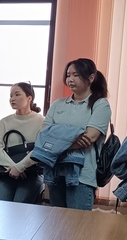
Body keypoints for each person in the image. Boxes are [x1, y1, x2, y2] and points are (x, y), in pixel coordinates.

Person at [41, 58, 111, 211]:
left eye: (76, 75)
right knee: (56, 221)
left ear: (91, 78)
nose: (70, 79)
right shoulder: (57, 104)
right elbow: (43, 135)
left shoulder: (100, 104)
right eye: (68, 75)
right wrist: (74, 138)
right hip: (55, 171)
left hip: (82, 175)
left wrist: (55, 141)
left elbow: (89, 137)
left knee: (78, 223)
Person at [0, 82, 45, 204]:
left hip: (32, 173)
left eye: (17, 94)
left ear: (29, 98)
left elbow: (40, 149)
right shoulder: (4, 122)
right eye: (11, 96)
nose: (12, 99)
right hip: (6, 172)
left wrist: (20, 167)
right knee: (0, 205)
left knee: (20, 204)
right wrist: (13, 168)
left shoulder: (41, 121)